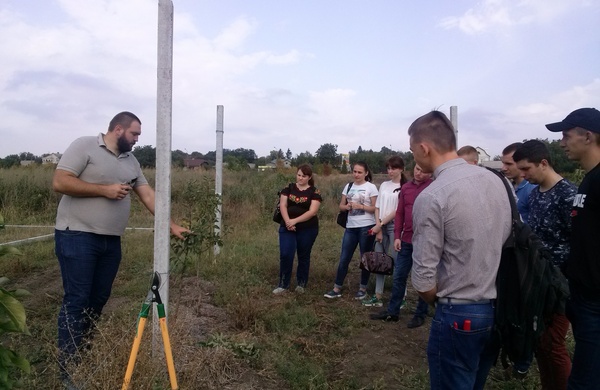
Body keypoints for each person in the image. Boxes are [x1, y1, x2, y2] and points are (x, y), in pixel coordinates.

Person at [53, 112, 189, 380]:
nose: (137, 139)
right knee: (77, 300)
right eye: (134, 134)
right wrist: (104, 190)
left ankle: (83, 354)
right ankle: (68, 370)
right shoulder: (85, 146)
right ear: (118, 129)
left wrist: (170, 224)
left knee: (98, 299)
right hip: (77, 236)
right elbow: (60, 181)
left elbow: (147, 194)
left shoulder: (131, 161)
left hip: (110, 241)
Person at [409, 111, 511, 389]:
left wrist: (441, 303)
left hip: (459, 313)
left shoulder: (432, 196)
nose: (413, 159)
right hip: (499, 309)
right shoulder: (499, 182)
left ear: (424, 148)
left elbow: (423, 280)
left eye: (412, 151)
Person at [512, 140, 576, 388]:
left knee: (553, 344)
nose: (524, 175)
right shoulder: (536, 194)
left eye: (527, 169)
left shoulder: (568, 195)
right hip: (538, 280)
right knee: (539, 341)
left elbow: (578, 242)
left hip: (560, 284)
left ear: (544, 163)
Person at [545, 107, 600, 389]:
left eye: (567, 136)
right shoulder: (588, 181)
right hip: (581, 297)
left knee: (584, 381)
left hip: (594, 301)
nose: (562, 142)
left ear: (588, 136)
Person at [369, 163, 432, 327]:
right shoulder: (406, 188)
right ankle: (393, 311)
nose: (419, 173)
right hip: (406, 239)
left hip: (426, 241)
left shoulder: (434, 188)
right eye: (417, 169)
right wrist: (397, 235)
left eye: (423, 171)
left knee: (422, 278)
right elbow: (400, 213)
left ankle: (420, 313)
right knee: (399, 276)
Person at [324, 161, 378, 299]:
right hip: (350, 227)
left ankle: (363, 288)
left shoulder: (371, 187)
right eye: (354, 171)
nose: (356, 174)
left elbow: (375, 208)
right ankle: (337, 288)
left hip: (367, 226)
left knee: (365, 258)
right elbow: (341, 206)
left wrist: (361, 207)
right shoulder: (348, 186)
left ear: (366, 173)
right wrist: (347, 207)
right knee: (344, 258)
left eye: (360, 172)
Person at [361, 156, 406, 307]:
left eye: (393, 168)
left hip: (395, 226)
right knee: (380, 261)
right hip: (380, 225)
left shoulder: (405, 186)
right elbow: (377, 206)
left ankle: (401, 297)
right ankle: (378, 296)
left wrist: (380, 225)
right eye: (388, 168)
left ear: (401, 169)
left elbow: (397, 210)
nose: (390, 171)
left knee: (398, 261)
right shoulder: (384, 185)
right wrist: (378, 226)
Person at [273, 164, 322, 294]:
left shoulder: (314, 192)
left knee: (303, 255)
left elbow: (312, 212)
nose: (300, 178)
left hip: (307, 228)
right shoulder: (288, 188)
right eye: (298, 175)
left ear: (309, 177)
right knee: (286, 254)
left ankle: (301, 283)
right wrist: (288, 221)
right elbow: (283, 205)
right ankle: (283, 284)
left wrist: (295, 221)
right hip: (287, 226)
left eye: (303, 176)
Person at [501, 142, 537, 222]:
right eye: (503, 163)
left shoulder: (533, 190)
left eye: (509, 164)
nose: (503, 168)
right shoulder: (508, 187)